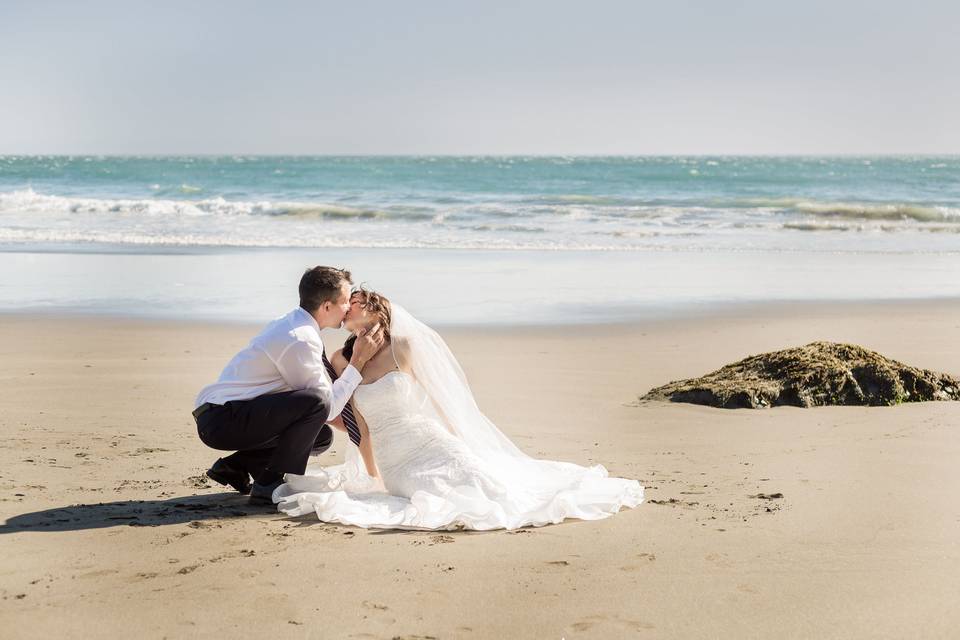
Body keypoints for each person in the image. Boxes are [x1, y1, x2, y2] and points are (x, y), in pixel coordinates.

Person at [273, 289, 644, 530]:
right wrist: (374, 476)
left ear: (372, 308)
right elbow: (359, 426)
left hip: (431, 442)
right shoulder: (341, 359)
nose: (345, 308)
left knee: (485, 486)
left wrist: (465, 440)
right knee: (432, 498)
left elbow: (441, 397)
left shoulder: (402, 347)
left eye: (352, 302)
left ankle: (475, 462)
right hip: (394, 461)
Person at [192, 266, 383, 505]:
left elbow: (321, 414)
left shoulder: (298, 325)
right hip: (222, 419)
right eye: (345, 301)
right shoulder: (299, 338)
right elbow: (326, 406)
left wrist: (367, 428)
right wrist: (358, 361)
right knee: (317, 402)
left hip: (231, 414)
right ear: (326, 306)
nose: (348, 308)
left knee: (321, 436)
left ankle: (236, 466)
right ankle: (268, 484)